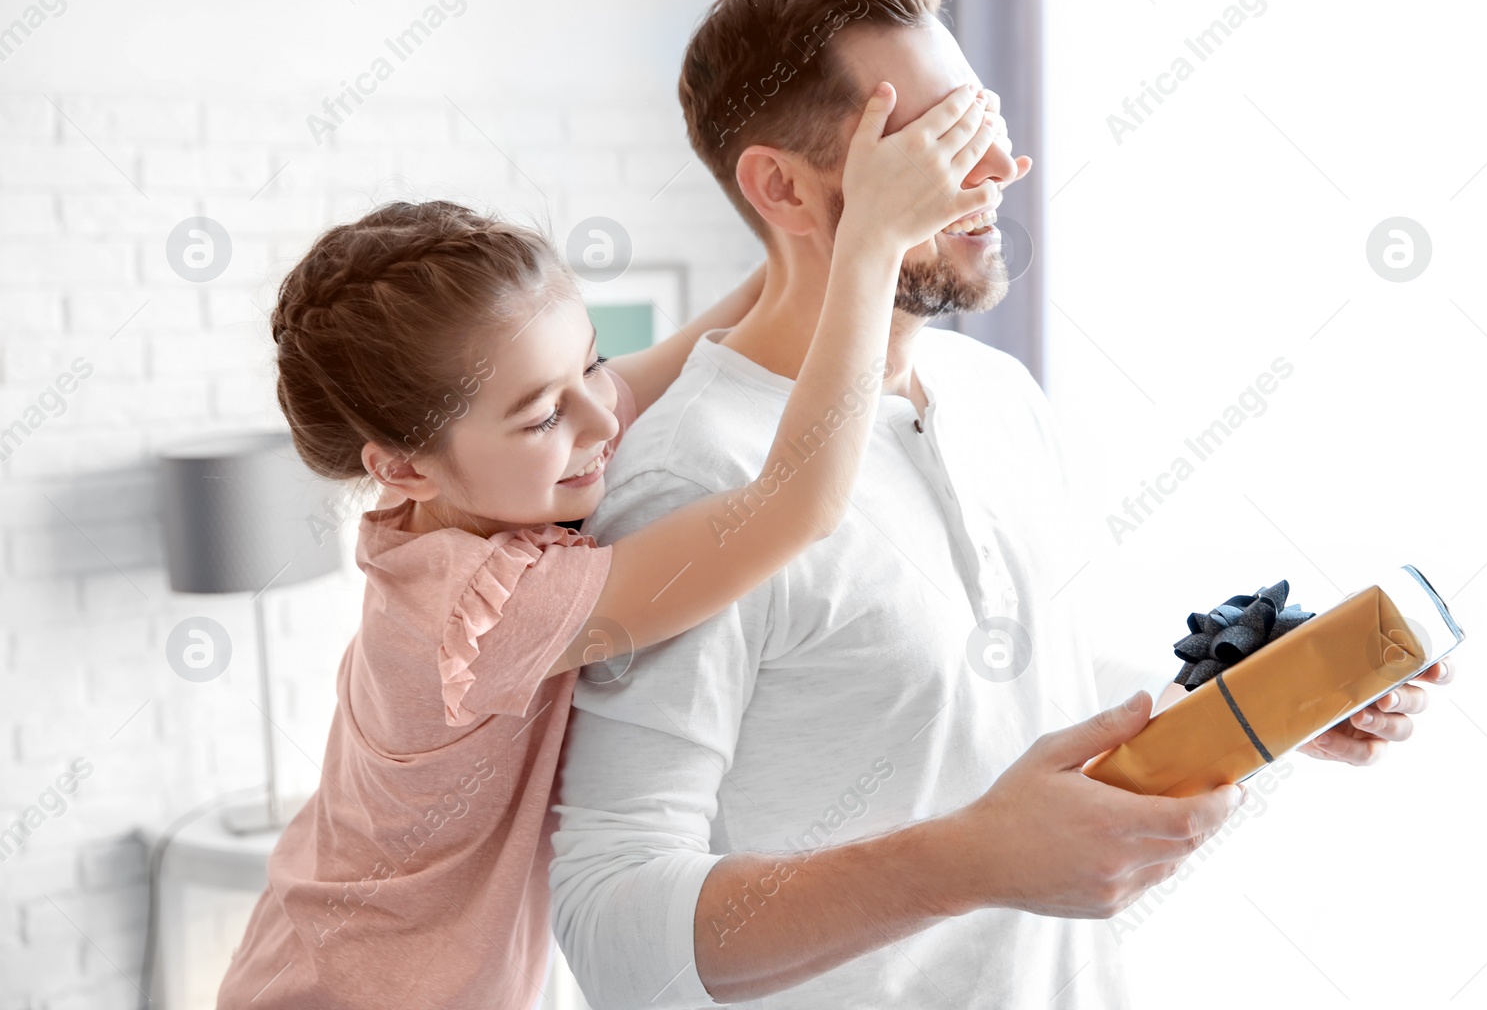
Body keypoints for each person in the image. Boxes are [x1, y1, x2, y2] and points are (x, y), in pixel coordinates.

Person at [549, 0, 1452, 1009]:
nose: (998, 171)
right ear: (781, 190)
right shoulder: (698, 485)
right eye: (936, 145)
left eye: (987, 124)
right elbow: (608, 922)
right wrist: (964, 858)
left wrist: (1271, 702)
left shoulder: (995, 397)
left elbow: (1028, 716)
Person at [213, 83, 997, 1009]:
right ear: (405, 468)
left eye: (589, 359)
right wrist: (866, 248)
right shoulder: (486, 611)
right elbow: (794, 509)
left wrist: (821, 225)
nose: (601, 414)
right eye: (546, 414)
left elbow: (695, 348)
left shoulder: (475, 488)